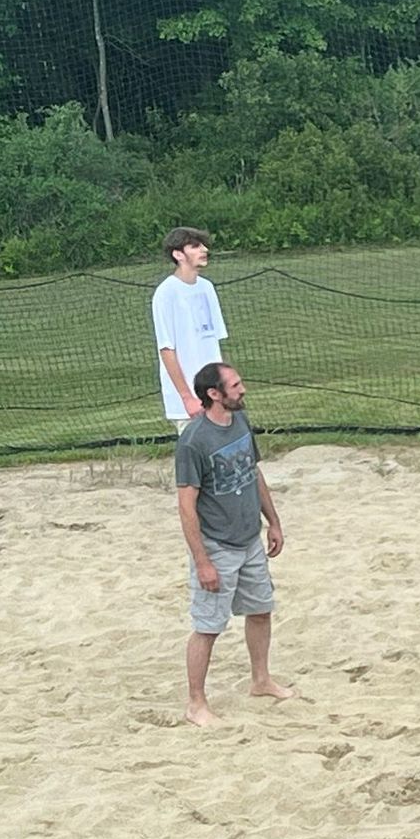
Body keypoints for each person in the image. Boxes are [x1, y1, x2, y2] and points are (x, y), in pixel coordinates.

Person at [175, 361, 293, 726]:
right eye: (235, 385)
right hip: (218, 547)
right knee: (208, 626)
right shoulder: (193, 442)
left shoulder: (240, 421)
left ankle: (261, 680)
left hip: (250, 540)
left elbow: (252, 471)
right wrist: (203, 561)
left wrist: (272, 521)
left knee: (260, 610)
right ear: (214, 394)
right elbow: (186, 506)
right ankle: (196, 703)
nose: (243, 390)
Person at [152, 227, 229, 434]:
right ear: (178, 255)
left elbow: (214, 344)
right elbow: (167, 349)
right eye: (195, 246)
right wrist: (187, 397)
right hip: (189, 400)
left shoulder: (207, 288)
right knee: (196, 458)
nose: (204, 250)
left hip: (215, 392)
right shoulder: (166, 293)